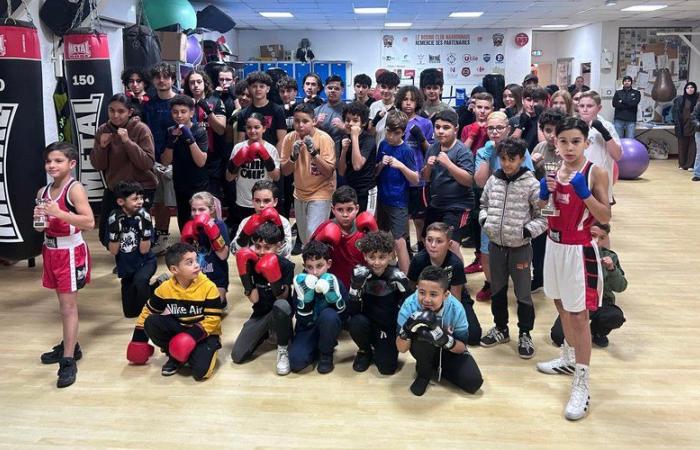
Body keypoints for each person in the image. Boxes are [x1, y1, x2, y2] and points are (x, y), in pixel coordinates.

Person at [536, 117, 611, 421]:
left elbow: (605, 216)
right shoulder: (554, 170)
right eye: (563, 141)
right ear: (555, 142)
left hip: (580, 250)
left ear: (586, 143)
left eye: (575, 141)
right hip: (553, 246)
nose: (569, 147)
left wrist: (585, 193)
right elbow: (543, 212)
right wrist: (543, 194)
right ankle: (568, 358)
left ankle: (582, 381)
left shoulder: (596, 172)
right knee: (560, 304)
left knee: (579, 316)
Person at [478, 137, 547, 359]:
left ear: (521, 159)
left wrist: (527, 232)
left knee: (523, 294)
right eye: (504, 159)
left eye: (512, 159)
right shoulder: (494, 180)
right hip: (496, 247)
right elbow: (483, 204)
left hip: (520, 249)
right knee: (498, 291)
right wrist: (484, 220)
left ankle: (525, 333)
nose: (507, 164)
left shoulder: (531, 183)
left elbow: (543, 217)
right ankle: (501, 328)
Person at [34, 142, 94, 388]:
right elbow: (40, 225)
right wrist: (41, 220)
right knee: (62, 304)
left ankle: (68, 359)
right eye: (49, 161)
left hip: (70, 251)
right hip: (51, 249)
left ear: (71, 164)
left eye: (58, 161)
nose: (52, 165)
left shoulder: (74, 189)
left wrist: (59, 213)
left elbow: (89, 222)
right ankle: (71, 344)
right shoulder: (43, 191)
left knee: (68, 307)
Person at [125, 243, 223, 380]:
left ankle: (191, 352)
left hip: (204, 335)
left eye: (196, 260)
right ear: (174, 269)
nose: (196, 265)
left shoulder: (209, 287)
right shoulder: (164, 289)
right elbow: (148, 311)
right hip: (180, 329)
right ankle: (175, 355)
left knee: (201, 373)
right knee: (152, 322)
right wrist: (138, 340)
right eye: (189, 263)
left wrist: (190, 337)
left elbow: (214, 320)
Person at [473, 112, 536, 301]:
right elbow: (480, 182)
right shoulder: (485, 150)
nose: (494, 132)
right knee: (486, 249)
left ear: (508, 128)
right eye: (490, 128)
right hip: (494, 210)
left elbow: (530, 179)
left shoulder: (519, 149)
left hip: (517, 212)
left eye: (499, 127)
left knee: (517, 254)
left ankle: (520, 292)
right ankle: (492, 284)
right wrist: (487, 155)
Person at [396, 266, 484, 396]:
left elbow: (461, 347)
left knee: (473, 382)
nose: (426, 299)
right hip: (422, 348)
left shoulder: (456, 309)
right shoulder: (409, 305)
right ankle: (423, 373)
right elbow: (401, 348)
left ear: (445, 295)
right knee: (423, 335)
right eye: (421, 292)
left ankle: (435, 366)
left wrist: (443, 339)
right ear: (416, 289)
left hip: (449, 351)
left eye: (433, 294)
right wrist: (407, 329)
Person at [92, 93, 156, 248]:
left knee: (139, 228)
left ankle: (139, 262)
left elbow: (147, 162)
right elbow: (98, 165)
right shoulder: (103, 130)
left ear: (130, 112)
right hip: (115, 187)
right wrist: (101, 147)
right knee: (106, 232)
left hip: (141, 186)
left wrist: (127, 141)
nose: (115, 115)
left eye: (121, 111)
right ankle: (123, 258)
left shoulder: (141, 129)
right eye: (111, 110)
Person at [231, 223, 295, 375]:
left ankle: (283, 348)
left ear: (278, 246)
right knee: (237, 355)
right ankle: (266, 331)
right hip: (261, 313)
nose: (261, 251)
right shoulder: (250, 262)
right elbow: (254, 299)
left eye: (267, 247)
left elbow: (283, 297)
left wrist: (273, 277)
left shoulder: (286, 266)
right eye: (257, 246)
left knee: (281, 305)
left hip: (281, 312)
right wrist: (245, 276)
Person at [550, 222, 627, 348]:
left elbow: (621, 287)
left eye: (602, 238)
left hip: (601, 302)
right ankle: (580, 330)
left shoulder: (610, 256)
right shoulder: (573, 253)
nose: (597, 241)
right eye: (593, 235)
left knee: (615, 317)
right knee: (558, 337)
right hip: (577, 303)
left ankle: (598, 332)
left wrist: (612, 269)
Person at [407, 222, 482, 345]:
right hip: (425, 299)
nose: (433, 245)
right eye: (429, 240)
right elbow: (411, 288)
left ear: (449, 244)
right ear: (424, 240)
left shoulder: (456, 263)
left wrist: (446, 322)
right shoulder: (418, 260)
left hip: (453, 299)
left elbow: (456, 298)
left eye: (439, 241)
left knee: (473, 336)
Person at [347, 231, 410, 374]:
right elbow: (352, 311)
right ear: (364, 256)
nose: (376, 262)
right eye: (371, 257)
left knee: (387, 369)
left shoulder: (397, 276)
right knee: (355, 322)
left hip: (388, 327)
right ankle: (365, 350)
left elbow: (408, 308)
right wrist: (355, 289)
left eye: (382, 257)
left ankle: (381, 347)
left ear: (391, 255)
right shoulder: (360, 275)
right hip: (368, 322)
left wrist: (406, 292)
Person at [422, 109, 474, 263]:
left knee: (451, 244)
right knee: (429, 240)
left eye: (446, 127)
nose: (440, 131)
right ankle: (437, 276)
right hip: (437, 203)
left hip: (458, 206)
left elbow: (468, 180)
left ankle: (459, 283)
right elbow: (426, 178)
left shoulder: (462, 151)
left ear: (455, 129)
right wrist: (429, 167)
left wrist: (449, 164)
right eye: (437, 127)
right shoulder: (433, 148)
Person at [280, 103, 336, 244]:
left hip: (321, 192)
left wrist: (314, 153)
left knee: (314, 234)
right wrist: (293, 156)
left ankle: (319, 265)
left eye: (305, 121)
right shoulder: (289, 138)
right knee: (305, 238)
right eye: (297, 121)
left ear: (314, 121)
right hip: (299, 193)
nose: (300, 125)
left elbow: (328, 172)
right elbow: (285, 172)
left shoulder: (324, 139)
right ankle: (310, 265)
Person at [290, 240, 347, 374]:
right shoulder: (301, 284)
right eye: (310, 267)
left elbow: (344, 317)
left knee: (329, 316)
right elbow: (299, 317)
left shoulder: (335, 282)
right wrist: (306, 300)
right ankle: (315, 347)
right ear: (304, 266)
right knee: (296, 362)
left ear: (329, 264)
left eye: (319, 265)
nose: (315, 272)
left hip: (328, 327)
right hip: (306, 328)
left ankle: (326, 353)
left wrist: (335, 298)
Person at [375, 110, 420, 273]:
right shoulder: (383, 145)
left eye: (396, 133)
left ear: (403, 132)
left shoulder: (406, 150)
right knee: (382, 238)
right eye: (388, 131)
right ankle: (382, 273)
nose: (391, 136)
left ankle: (407, 280)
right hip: (382, 199)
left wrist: (400, 166)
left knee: (399, 241)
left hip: (399, 201)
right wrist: (380, 164)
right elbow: (375, 173)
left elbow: (415, 179)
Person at [106, 181, 157, 318]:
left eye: (141, 198)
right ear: (121, 201)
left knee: (140, 281)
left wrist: (146, 229)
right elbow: (114, 251)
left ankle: (149, 313)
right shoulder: (113, 218)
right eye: (135, 199)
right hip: (126, 266)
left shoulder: (144, 216)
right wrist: (115, 232)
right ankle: (158, 286)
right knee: (130, 313)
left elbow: (144, 250)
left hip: (146, 262)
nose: (140, 201)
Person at [310, 186, 378, 288]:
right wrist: (319, 239)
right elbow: (309, 256)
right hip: (333, 285)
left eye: (349, 209)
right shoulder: (326, 227)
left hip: (362, 284)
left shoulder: (365, 229)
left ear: (357, 209)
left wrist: (375, 232)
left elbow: (382, 255)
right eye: (340, 210)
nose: (345, 214)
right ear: (333, 210)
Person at [225, 112, 281, 233]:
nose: (252, 131)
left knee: (264, 236)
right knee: (246, 235)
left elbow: (276, 177)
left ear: (264, 128)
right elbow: (229, 177)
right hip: (243, 201)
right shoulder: (238, 148)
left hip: (264, 203)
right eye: (249, 127)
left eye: (257, 127)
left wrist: (266, 158)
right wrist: (238, 161)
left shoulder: (271, 149)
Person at [143, 63, 177, 255]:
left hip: (178, 160)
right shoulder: (148, 105)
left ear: (172, 79)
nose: (162, 80)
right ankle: (162, 236)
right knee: (159, 202)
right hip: (153, 160)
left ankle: (190, 239)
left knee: (181, 200)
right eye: (158, 77)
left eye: (166, 76)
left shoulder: (182, 101)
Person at [160, 95, 208, 230]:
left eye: (183, 111)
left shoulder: (200, 131)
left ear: (191, 112)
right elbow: (165, 161)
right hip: (180, 182)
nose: (179, 115)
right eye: (175, 112)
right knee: (184, 220)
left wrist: (190, 138)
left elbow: (201, 162)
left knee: (200, 220)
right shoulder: (170, 131)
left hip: (198, 183)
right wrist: (170, 143)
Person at [531, 109, 565, 292]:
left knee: (559, 242)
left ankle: (560, 278)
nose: (552, 136)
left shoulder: (567, 149)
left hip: (563, 206)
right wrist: (532, 163)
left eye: (556, 131)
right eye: (548, 130)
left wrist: (565, 162)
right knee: (538, 244)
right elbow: (530, 177)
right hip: (543, 206)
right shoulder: (540, 148)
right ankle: (539, 277)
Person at [396, 86, 434, 249]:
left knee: (419, 218)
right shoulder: (394, 120)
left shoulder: (425, 123)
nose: (408, 103)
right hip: (398, 177)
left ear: (417, 102)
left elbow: (431, 151)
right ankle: (405, 249)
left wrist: (421, 138)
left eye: (412, 99)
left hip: (418, 177)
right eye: (405, 99)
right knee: (402, 215)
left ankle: (420, 245)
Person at [180, 192, 230, 309]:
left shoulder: (219, 225)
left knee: (211, 308)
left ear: (211, 209)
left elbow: (223, 256)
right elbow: (183, 260)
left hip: (216, 278)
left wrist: (212, 231)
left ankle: (222, 300)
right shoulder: (189, 226)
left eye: (201, 209)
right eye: (193, 210)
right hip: (195, 277)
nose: (197, 213)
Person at [578, 91, 622, 203]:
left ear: (599, 108)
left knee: (600, 218)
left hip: (600, 183)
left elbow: (617, 156)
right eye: (582, 106)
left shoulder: (607, 126)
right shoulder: (573, 126)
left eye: (589, 106)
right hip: (578, 181)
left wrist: (604, 133)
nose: (585, 109)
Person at [231, 180, 293, 258]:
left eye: (266, 201)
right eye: (257, 201)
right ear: (252, 201)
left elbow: (286, 253)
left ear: (275, 202)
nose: (261, 205)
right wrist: (244, 235)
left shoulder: (283, 222)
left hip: (277, 267)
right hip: (253, 267)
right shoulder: (246, 222)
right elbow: (234, 252)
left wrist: (279, 231)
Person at [337, 102, 378, 213]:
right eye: (347, 120)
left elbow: (357, 165)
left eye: (355, 120)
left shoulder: (368, 140)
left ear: (363, 123)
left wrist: (354, 137)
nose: (350, 123)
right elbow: (341, 171)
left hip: (367, 190)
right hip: (350, 189)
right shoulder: (344, 138)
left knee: (366, 225)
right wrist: (344, 151)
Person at [236, 72, 287, 155]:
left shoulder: (277, 110)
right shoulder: (243, 113)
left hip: (270, 157)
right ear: (249, 88)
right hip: (249, 160)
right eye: (254, 86)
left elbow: (282, 140)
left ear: (268, 89)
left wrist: (274, 161)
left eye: (262, 86)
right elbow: (241, 141)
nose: (258, 89)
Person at [369, 70, 401, 148]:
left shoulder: (399, 106)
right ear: (379, 87)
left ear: (396, 89)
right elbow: (370, 133)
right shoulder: (374, 106)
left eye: (390, 88)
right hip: (377, 149)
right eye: (383, 87)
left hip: (395, 150)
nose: (386, 91)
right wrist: (376, 120)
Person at [511, 85, 547, 151]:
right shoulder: (514, 120)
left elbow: (544, 144)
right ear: (522, 100)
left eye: (536, 101)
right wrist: (520, 126)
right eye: (528, 100)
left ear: (544, 102)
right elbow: (511, 144)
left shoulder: (548, 120)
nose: (531, 104)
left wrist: (539, 119)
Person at [672, 81, 698, 170]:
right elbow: (675, 113)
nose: (690, 89)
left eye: (692, 87)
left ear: (695, 89)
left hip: (695, 126)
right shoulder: (680, 99)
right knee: (682, 145)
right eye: (688, 88)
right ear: (685, 89)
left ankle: (690, 165)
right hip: (682, 125)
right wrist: (677, 123)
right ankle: (682, 164)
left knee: (693, 146)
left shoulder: (698, 99)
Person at [314, 75, 346, 144]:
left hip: (341, 152)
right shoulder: (316, 111)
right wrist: (316, 125)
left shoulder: (348, 110)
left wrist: (344, 127)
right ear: (325, 89)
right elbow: (309, 133)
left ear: (342, 91)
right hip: (321, 151)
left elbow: (357, 132)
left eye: (337, 89)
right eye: (330, 88)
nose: (333, 91)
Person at [693, 100, 700, 181]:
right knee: (699, 154)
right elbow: (693, 117)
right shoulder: (698, 105)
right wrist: (698, 124)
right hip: (699, 132)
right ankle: (697, 174)